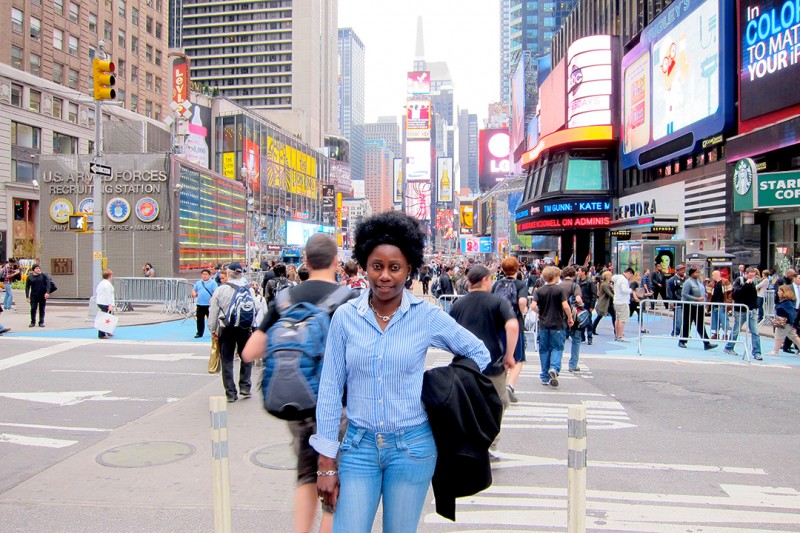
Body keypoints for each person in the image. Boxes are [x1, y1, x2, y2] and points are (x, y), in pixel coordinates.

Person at [311, 211, 489, 532]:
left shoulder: (426, 315)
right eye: (377, 266)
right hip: (357, 448)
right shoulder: (345, 317)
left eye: (395, 268)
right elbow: (330, 388)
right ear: (365, 264)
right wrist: (326, 463)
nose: (385, 276)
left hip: (412, 449)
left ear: (409, 269)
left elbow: (479, 352)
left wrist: (442, 386)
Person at [241, 233, 352, 533]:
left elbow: (249, 352)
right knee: (333, 485)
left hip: (299, 402)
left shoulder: (286, 300)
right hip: (335, 408)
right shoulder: (348, 300)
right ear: (335, 262)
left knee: (306, 476)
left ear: (305, 261)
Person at [449, 264, 517, 454]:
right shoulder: (497, 302)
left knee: (468, 404)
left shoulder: (458, 304)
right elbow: (512, 325)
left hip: (464, 365)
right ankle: (490, 443)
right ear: (485, 279)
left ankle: (469, 442)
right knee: (497, 402)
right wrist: (510, 355)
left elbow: (448, 333)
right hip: (492, 363)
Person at [208, 262, 259, 402]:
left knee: (227, 360)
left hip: (226, 327)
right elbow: (257, 307)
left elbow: (213, 312)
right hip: (244, 328)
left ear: (228, 273)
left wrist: (213, 330)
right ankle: (245, 386)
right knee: (246, 357)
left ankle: (230, 392)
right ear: (241, 274)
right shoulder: (249, 290)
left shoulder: (221, 290)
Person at [531, 266, 574, 387]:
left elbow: (533, 306)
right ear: (555, 277)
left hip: (544, 324)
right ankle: (554, 368)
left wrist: (540, 313)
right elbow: (565, 306)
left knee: (544, 349)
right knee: (557, 348)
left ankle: (544, 376)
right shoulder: (559, 290)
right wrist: (570, 318)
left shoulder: (539, 291)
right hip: (558, 324)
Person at [493, 257, 528, 403]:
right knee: (518, 357)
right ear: (517, 268)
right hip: (515, 322)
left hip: (498, 323)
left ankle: (499, 386)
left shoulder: (497, 283)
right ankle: (510, 385)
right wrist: (522, 311)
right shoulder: (521, 284)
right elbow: (522, 301)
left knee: (501, 356)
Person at [724, 267, 762, 359]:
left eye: (754, 275)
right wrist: (746, 284)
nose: (752, 277)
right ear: (746, 273)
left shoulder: (753, 282)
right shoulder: (739, 280)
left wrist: (755, 306)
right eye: (751, 275)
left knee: (755, 332)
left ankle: (757, 352)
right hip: (741, 310)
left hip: (751, 310)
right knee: (736, 329)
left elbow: (754, 295)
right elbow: (737, 293)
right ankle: (729, 347)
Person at [679, 267, 717, 351]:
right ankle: (682, 341)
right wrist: (695, 299)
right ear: (691, 274)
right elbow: (684, 294)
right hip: (689, 306)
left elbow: (701, 291)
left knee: (700, 324)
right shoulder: (688, 282)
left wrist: (705, 295)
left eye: (698, 272)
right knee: (687, 323)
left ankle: (706, 343)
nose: (698, 274)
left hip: (699, 306)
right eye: (696, 273)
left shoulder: (699, 281)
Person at [560, 267, 584, 373]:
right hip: (573, 316)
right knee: (576, 340)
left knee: (559, 342)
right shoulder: (575, 285)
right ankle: (573, 364)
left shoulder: (559, 285)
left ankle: (556, 364)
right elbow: (578, 299)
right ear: (574, 275)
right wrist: (581, 304)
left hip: (560, 316)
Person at [766, 285, 800, 356]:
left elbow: (791, 313)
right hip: (787, 322)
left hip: (785, 322)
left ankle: (775, 351)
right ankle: (775, 351)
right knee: (794, 337)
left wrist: (792, 322)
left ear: (784, 292)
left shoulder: (787, 303)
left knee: (779, 336)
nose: (777, 292)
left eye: (779, 291)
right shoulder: (785, 301)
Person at [192, 269, 218, 339]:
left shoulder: (213, 283)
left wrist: (212, 298)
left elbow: (215, 292)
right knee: (199, 320)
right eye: (203, 274)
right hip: (200, 304)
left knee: (211, 319)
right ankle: (199, 332)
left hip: (209, 305)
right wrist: (194, 293)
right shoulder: (198, 283)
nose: (204, 276)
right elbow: (194, 289)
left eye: (206, 274)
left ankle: (213, 332)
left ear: (209, 275)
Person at [611, 268, 634, 342]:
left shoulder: (617, 278)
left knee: (617, 319)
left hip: (617, 301)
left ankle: (617, 335)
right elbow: (624, 290)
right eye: (631, 275)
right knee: (622, 319)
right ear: (629, 273)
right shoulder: (624, 280)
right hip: (623, 301)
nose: (630, 277)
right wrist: (630, 290)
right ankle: (620, 336)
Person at [707, 270, 731, 339]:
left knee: (724, 320)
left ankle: (725, 334)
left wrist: (728, 302)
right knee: (714, 320)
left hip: (722, 304)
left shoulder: (725, 282)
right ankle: (716, 333)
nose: (712, 277)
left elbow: (730, 292)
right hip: (714, 304)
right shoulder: (712, 284)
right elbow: (707, 292)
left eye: (712, 275)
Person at [577, 266, 597, 347]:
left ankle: (589, 337)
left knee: (588, 321)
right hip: (580, 303)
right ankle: (582, 337)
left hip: (587, 303)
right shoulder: (578, 281)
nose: (578, 272)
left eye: (579, 271)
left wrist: (592, 305)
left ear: (583, 272)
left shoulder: (590, 282)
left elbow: (594, 294)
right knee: (580, 320)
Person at [592, 270, 615, 335]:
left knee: (612, 316)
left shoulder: (607, 284)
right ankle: (593, 328)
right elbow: (609, 294)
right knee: (600, 316)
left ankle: (593, 329)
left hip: (608, 303)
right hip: (605, 303)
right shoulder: (605, 285)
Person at [95, 269, 115, 339]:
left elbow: (97, 292)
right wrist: (110, 305)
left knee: (108, 317)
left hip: (100, 302)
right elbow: (108, 295)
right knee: (105, 318)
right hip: (105, 303)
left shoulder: (101, 283)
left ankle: (108, 331)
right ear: (109, 276)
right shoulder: (107, 284)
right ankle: (101, 334)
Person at [667, 264, 687, 336]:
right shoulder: (672, 280)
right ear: (677, 271)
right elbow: (670, 291)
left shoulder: (686, 279)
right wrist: (671, 301)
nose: (683, 271)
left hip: (685, 301)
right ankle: (675, 332)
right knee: (678, 319)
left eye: (684, 270)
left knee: (685, 319)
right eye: (681, 270)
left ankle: (684, 333)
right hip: (677, 301)